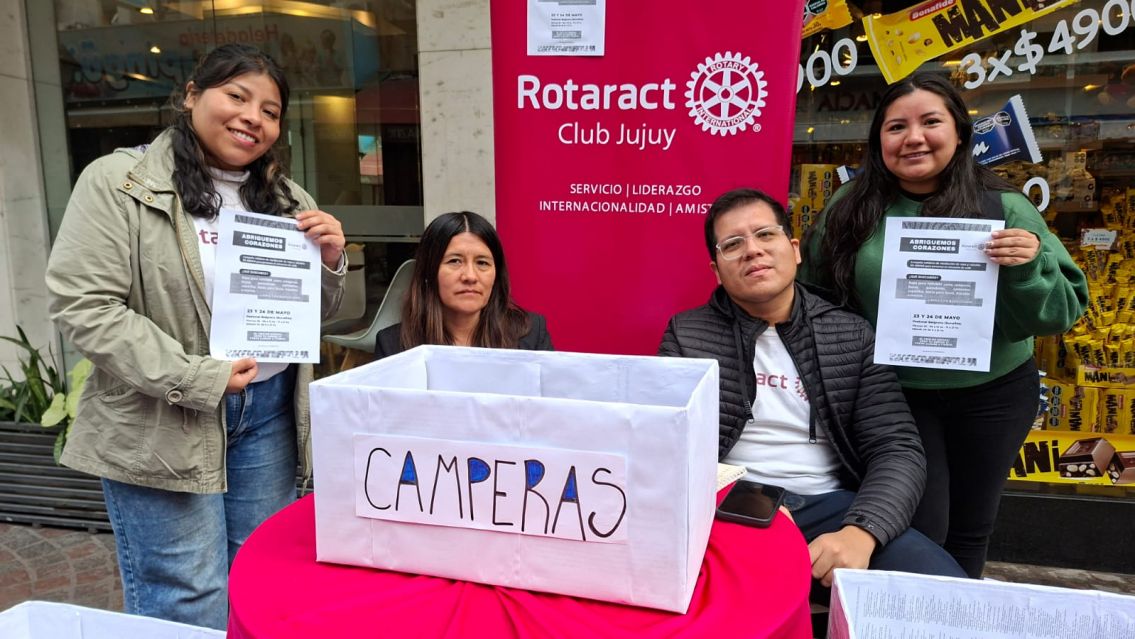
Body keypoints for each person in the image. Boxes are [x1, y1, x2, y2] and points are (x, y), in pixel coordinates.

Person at [44, 44, 346, 630]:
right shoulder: (118, 182)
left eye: (270, 109)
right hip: (163, 417)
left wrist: (330, 261)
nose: (252, 117)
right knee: (185, 592)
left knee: (256, 577)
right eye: (236, 96)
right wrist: (196, 377)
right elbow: (84, 307)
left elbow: (315, 317)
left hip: (268, 416)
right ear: (190, 95)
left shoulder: (288, 200)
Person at [799, 72, 1088, 579]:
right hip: (894, 395)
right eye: (896, 127)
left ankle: (956, 618)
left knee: (972, 528)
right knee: (917, 527)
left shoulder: (1006, 207)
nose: (914, 137)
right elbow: (816, 298)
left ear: (958, 133)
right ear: (878, 141)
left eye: (930, 122)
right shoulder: (848, 210)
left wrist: (1027, 268)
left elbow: (1060, 312)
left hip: (994, 393)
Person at [659, 188, 965, 598]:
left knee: (946, 592)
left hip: (831, 507)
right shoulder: (687, 334)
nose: (752, 251)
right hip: (727, 506)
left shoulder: (850, 333)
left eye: (765, 235)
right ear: (716, 270)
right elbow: (666, 445)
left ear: (794, 248)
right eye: (733, 244)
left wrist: (862, 532)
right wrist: (739, 500)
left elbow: (896, 447)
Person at [375, 211, 553, 357]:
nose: (470, 276)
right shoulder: (394, 345)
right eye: (455, 261)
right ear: (428, 271)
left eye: (482, 263)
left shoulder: (529, 335)